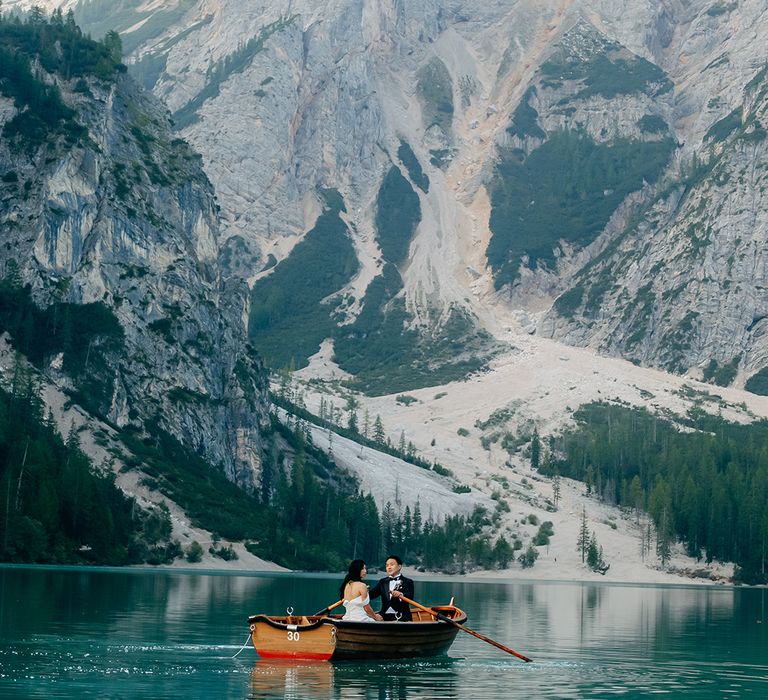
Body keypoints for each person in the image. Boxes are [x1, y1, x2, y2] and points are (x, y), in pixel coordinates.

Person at [369, 554, 414, 621]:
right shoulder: (383, 582)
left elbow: (410, 596)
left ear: (399, 566)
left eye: (392, 565)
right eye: (387, 565)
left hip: (402, 617)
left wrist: (401, 594)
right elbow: (371, 595)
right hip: (384, 617)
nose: (389, 567)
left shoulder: (408, 582)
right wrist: (364, 591)